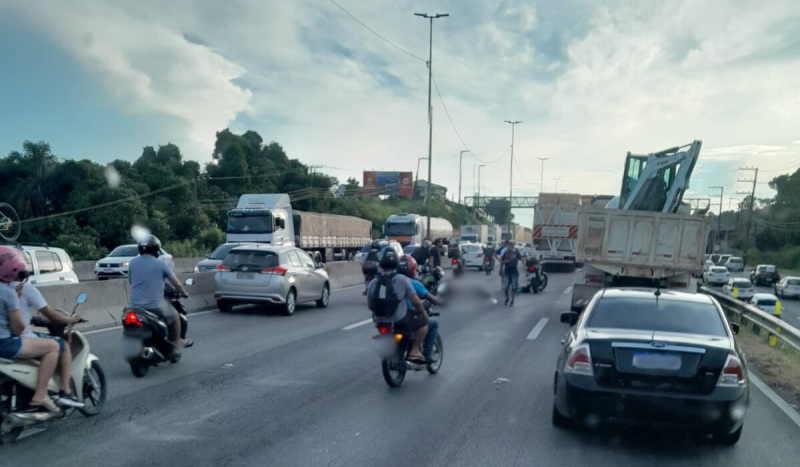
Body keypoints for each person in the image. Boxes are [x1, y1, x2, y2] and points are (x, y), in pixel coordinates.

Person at [0, 246, 63, 413]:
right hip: (5, 344)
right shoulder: (8, 293)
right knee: (53, 347)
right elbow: (18, 328)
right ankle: (41, 394)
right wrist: (16, 299)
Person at [13, 279, 86, 408]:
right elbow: (52, 315)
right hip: (17, 340)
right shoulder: (24, 289)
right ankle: (63, 392)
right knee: (60, 345)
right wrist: (71, 319)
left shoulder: (5, 289)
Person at [128, 235, 189, 355]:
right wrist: (184, 293)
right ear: (156, 249)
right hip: (155, 306)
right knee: (175, 316)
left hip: (134, 306)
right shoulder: (161, 264)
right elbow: (177, 284)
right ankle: (176, 343)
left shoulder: (132, 263)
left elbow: (131, 281)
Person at [368, 247, 428, 362]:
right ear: (396, 263)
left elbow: (370, 304)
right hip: (400, 321)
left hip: (380, 321)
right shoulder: (402, 280)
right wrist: (423, 313)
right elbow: (416, 302)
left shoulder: (373, 282)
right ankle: (414, 351)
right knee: (423, 323)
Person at [397, 256, 443, 364]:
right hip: (406, 318)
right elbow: (428, 300)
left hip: (389, 318)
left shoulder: (392, 280)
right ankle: (424, 354)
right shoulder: (414, 283)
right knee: (433, 323)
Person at [500, 242, 523, 306]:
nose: (508, 248)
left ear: (512, 247)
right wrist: (501, 269)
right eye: (507, 247)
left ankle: (512, 301)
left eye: (509, 247)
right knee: (506, 288)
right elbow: (501, 261)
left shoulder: (516, 253)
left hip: (514, 273)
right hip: (507, 273)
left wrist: (524, 265)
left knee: (514, 288)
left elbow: (522, 258)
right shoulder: (505, 253)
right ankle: (507, 299)